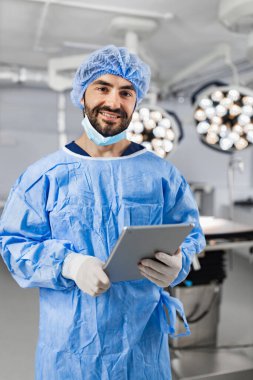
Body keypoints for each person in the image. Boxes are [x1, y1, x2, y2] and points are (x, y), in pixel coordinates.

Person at [0, 45, 205, 379]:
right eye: (103, 88)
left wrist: (181, 261)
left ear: (136, 102)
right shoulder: (44, 175)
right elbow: (13, 244)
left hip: (142, 343)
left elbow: (191, 233)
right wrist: (69, 264)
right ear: (82, 95)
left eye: (126, 92)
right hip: (71, 344)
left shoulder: (163, 175)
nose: (113, 102)